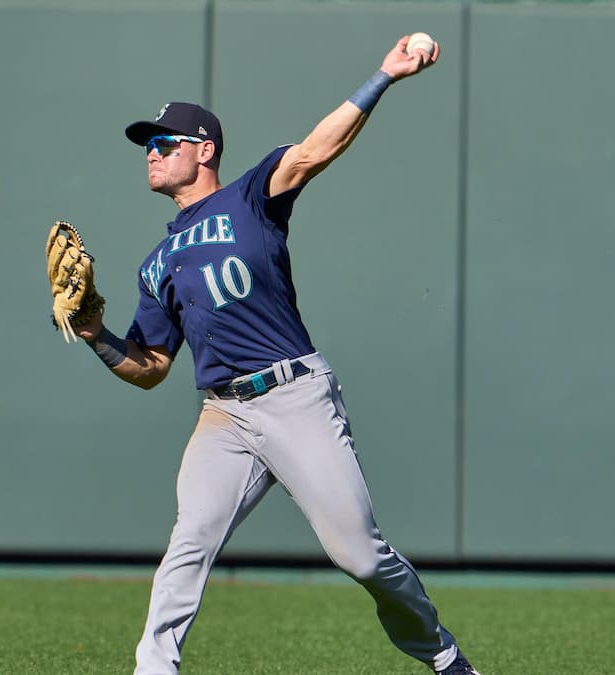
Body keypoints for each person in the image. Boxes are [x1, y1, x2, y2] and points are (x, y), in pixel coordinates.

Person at [69, 35, 479, 675]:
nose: (150, 154)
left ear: (203, 151)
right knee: (189, 542)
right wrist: (96, 335)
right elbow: (150, 368)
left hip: (294, 397)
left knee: (361, 557)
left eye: (162, 143)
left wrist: (385, 75)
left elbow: (316, 149)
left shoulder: (251, 196)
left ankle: (445, 656)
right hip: (223, 417)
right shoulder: (157, 264)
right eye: (147, 146)